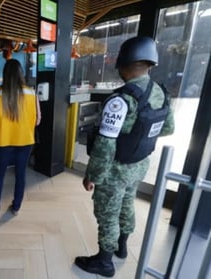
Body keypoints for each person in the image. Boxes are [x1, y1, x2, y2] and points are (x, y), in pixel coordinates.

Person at [75, 36, 175, 277]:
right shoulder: (160, 92)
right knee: (127, 203)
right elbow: (168, 128)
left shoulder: (120, 100)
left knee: (107, 212)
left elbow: (106, 145)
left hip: (115, 170)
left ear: (125, 63)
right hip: (139, 166)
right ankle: (121, 247)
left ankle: (104, 261)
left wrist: (93, 175)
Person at [0, 59, 41, 217]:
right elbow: (38, 119)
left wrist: (0, 124)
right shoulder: (31, 92)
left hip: (4, 141)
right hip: (25, 141)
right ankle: (16, 207)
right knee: (21, 174)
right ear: (21, 74)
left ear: (5, 74)